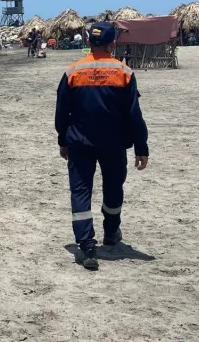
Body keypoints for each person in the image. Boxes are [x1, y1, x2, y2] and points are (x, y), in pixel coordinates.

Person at [55, 21, 149, 270]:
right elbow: (133, 114)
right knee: (113, 187)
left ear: (88, 42)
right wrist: (141, 147)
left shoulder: (73, 71)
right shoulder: (124, 72)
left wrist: (62, 139)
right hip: (114, 143)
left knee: (80, 191)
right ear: (113, 43)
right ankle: (111, 231)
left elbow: (61, 111)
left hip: (80, 142)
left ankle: (86, 246)